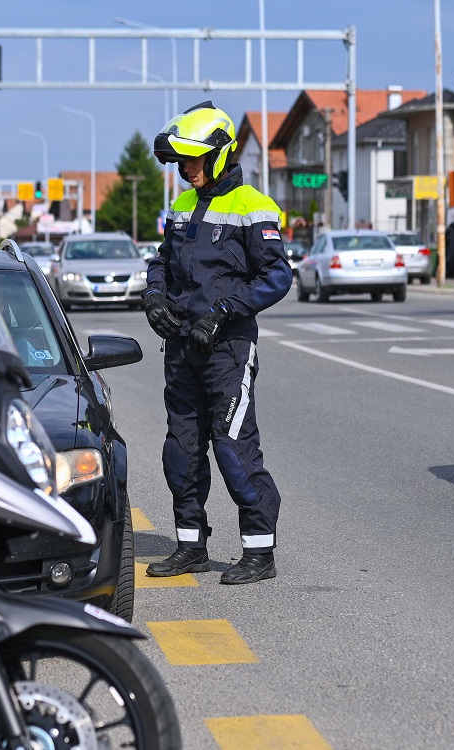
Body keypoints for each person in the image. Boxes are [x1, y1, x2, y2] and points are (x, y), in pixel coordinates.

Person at [143, 101, 292, 585]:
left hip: (228, 351)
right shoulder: (184, 205)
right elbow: (162, 263)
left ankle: (259, 552)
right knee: (181, 450)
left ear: (222, 154)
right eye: (181, 161)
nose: (186, 169)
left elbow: (277, 276)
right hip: (183, 349)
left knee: (232, 447)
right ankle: (191, 545)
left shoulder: (253, 207)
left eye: (194, 160)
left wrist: (225, 313)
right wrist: (155, 299)